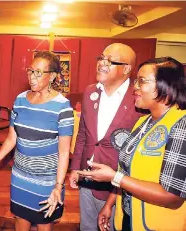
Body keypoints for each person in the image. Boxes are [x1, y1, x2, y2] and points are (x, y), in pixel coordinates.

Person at [77, 57, 186, 231]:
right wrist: (109, 204)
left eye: (142, 81)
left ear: (166, 85)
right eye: (136, 81)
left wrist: (114, 177)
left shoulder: (181, 125)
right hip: (129, 218)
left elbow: (172, 196)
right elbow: (126, 171)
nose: (135, 87)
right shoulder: (143, 123)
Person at [0, 51, 74, 231]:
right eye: (30, 71)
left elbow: (64, 152)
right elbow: (12, 138)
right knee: (20, 220)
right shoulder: (20, 100)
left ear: (53, 77)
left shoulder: (62, 107)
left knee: (44, 225)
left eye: (39, 72)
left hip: (46, 181)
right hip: (20, 177)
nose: (32, 77)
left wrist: (58, 186)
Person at [68, 43, 142, 231]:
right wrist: (75, 167)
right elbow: (83, 133)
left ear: (126, 69)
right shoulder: (90, 91)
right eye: (101, 58)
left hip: (117, 186)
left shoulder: (139, 99)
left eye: (109, 61)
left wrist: (118, 187)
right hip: (87, 178)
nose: (101, 63)